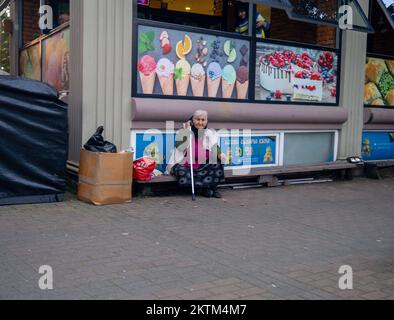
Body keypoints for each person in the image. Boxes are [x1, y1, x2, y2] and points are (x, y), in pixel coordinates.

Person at [166, 110, 227, 198]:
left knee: (217, 162)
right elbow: (180, 147)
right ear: (192, 121)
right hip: (186, 165)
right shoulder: (184, 132)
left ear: (206, 121)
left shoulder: (209, 133)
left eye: (203, 120)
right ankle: (202, 189)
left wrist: (220, 154)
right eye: (197, 119)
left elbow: (215, 147)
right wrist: (186, 131)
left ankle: (213, 188)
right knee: (181, 171)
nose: (200, 122)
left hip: (202, 166)